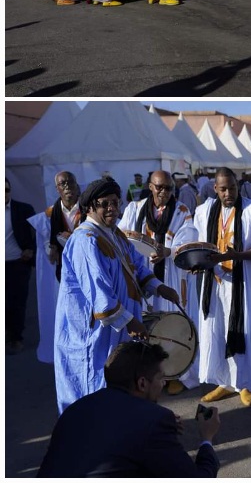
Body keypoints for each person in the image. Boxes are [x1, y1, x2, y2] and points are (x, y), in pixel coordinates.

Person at [54, 178, 179, 414]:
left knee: (120, 387)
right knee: (94, 388)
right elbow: (99, 294)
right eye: (105, 204)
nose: (112, 208)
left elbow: (137, 268)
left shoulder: (115, 234)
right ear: (90, 207)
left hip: (118, 328)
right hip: (94, 334)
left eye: (115, 202)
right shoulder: (85, 240)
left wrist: (159, 287)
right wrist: (131, 321)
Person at [38, 341, 220, 478]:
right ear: (142, 383)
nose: (163, 384)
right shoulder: (154, 422)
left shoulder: (76, 408)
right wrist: (207, 439)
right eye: (160, 378)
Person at [194, 167, 251, 407]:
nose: (228, 193)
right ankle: (224, 382)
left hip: (242, 281)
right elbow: (197, 243)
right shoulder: (204, 211)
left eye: (233, 188)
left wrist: (239, 255)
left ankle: (244, 383)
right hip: (214, 282)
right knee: (216, 330)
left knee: (242, 329)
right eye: (223, 189)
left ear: (238, 186)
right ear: (215, 188)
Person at [118, 170, 198, 393]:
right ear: (150, 187)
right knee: (143, 325)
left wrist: (168, 251)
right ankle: (144, 373)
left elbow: (189, 236)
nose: (164, 192)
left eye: (169, 188)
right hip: (142, 273)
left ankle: (173, 373)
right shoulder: (135, 208)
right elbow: (123, 234)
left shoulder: (181, 210)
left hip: (170, 273)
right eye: (159, 187)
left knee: (171, 325)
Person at [27, 172, 81, 363]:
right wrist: (52, 249)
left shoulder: (88, 212)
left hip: (85, 274)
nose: (67, 186)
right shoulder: (46, 218)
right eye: (62, 183)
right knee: (64, 315)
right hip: (60, 275)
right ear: (57, 189)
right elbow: (46, 256)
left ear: (76, 185)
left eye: (70, 182)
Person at [5, 178, 36, 354]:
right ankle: (8, 332)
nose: (4, 194)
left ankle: (16, 337)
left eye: (7, 190)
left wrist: (30, 250)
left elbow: (37, 233)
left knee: (17, 302)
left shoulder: (23, 209)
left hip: (18, 263)